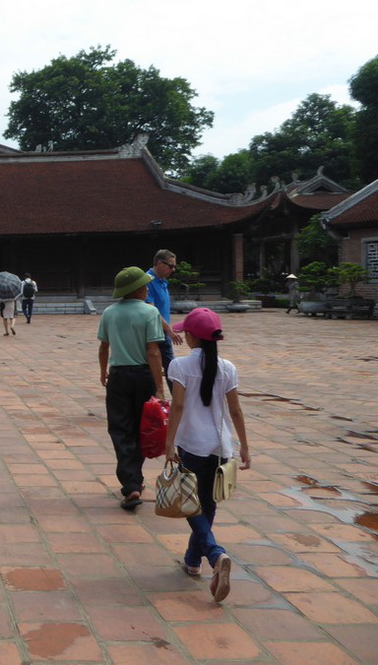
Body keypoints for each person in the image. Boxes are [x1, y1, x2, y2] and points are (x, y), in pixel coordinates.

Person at [165, 307, 251, 603]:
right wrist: (245, 448)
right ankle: (192, 561)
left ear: (191, 337)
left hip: (192, 445)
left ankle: (215, 555)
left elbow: (176, 407)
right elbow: (236, 411)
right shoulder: (228, 368)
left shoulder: (180, 366)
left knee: (192, 505)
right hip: (220, 448)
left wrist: (168, 443)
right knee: (208, 503)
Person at [97, 266, 165, 510]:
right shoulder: (150, 312)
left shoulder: (109, 313)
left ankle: (132, 483)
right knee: (143, 427)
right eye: (145, 285)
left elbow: (104, 347)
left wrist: (103, 371)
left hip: (119, 376)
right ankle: (134, 481)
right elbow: (154, 351)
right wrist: (160, 387)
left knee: (120, 428)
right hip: (143, 375)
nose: (147, 288)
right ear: (137, 289)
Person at [146, 250, 184, 380]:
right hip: (154, 332)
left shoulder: (162, 281)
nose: (173, 269)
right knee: (167, 369)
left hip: (164, 332)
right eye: (171, 266)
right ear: (159, 263)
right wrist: (170, 331)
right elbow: (152, 311)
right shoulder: (147, 281)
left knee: (170, 368)